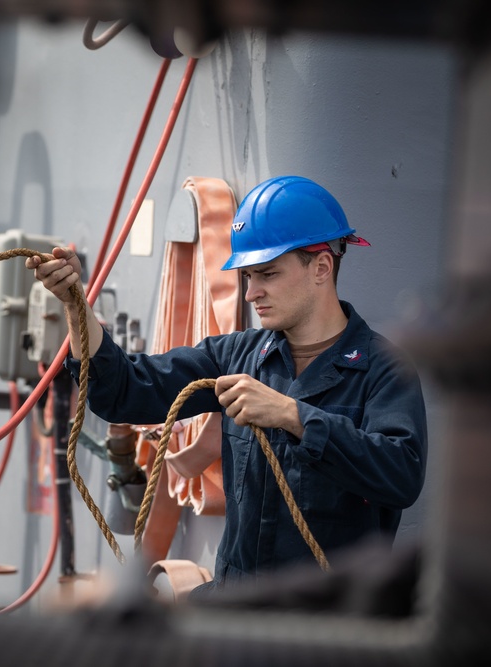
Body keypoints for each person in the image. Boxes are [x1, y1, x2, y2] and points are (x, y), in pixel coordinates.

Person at [26, 175, 427, 587]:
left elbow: (400, 475)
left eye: (267, 274)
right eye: (248, 277)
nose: (252, 293)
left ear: (321, 267)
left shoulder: (384, 369)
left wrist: (294, 416)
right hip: (235, 613)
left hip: (324, 628)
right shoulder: (236, 357)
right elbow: (125, 392)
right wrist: (77, 305)